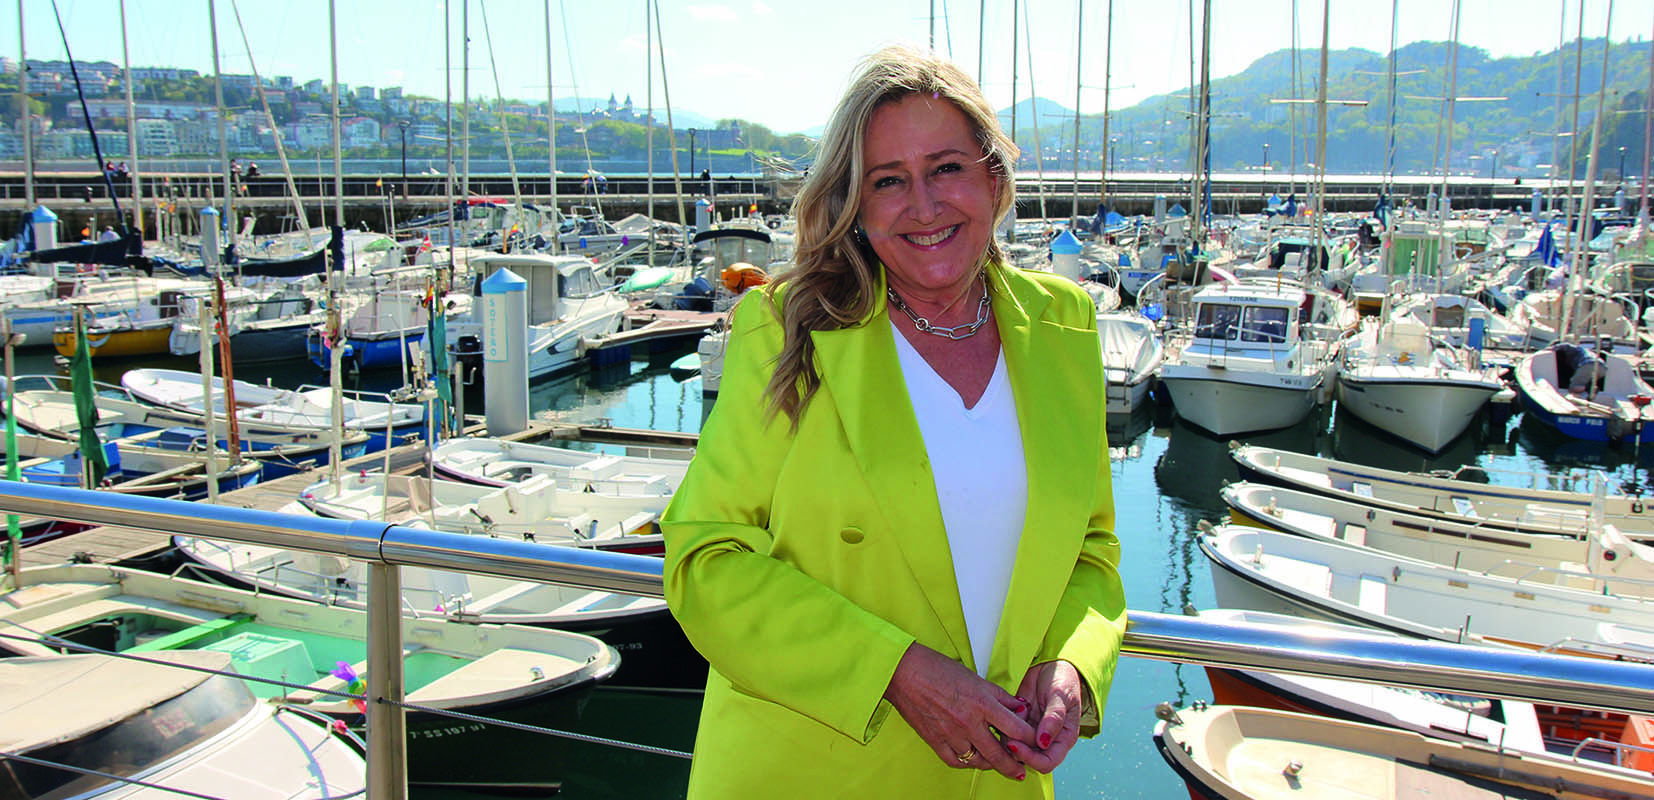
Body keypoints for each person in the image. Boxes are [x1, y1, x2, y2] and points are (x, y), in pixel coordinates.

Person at [662, 44, 1125, 797]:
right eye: (888, 180)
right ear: (856, 204)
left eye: (947, 168)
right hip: (810, 775)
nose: (923, 205)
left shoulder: (1064, 322)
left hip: (1003, 776)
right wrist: (893, 672)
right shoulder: (787, 327)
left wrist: (1073, 663)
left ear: (994, 179)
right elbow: (703, 558)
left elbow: (1092, 549)